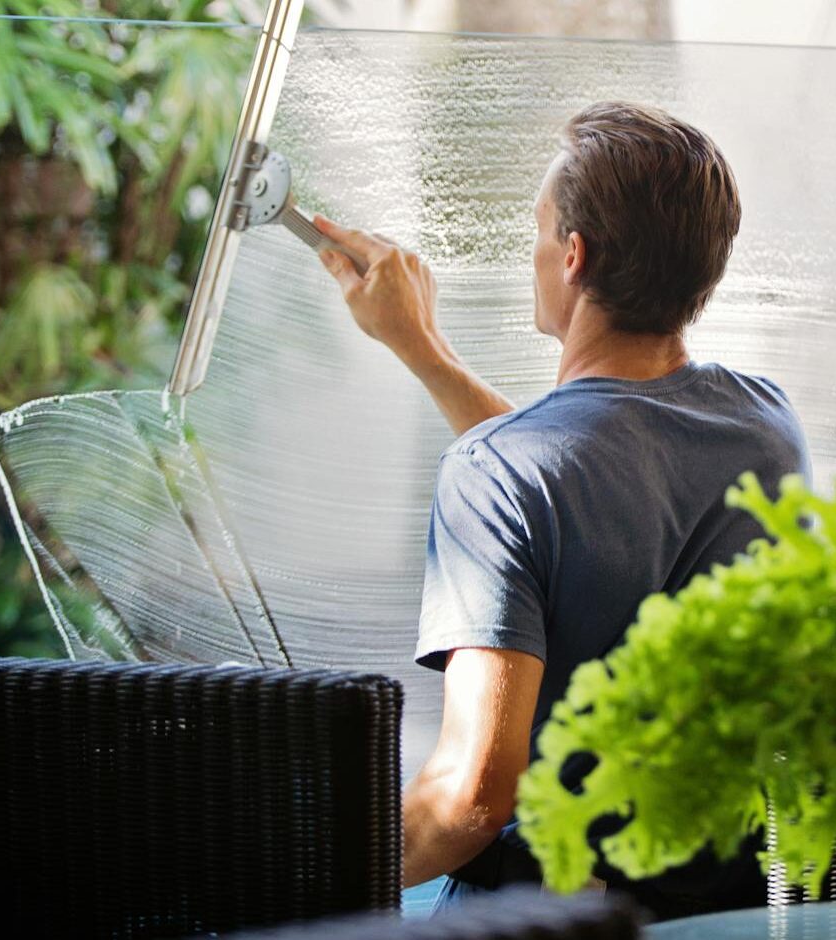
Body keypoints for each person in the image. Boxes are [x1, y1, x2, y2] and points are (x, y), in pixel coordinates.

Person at [313, 101, 810, 918]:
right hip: (724, 911)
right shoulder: (767, 427)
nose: (535, 251)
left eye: (539, 231)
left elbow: (470, 801)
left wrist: (289, 870)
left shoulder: (500, 473)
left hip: (551, 919)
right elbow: (591, 472)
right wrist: (423, 350)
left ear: (573, 258)